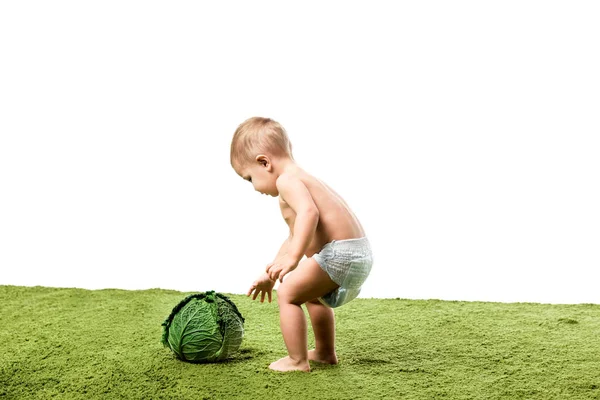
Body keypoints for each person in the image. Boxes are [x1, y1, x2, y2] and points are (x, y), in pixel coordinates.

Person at [230, 117, 373, 372]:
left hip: (340, 254)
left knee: (289, 294)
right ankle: (325, 352)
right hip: (357, 253)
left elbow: (309, 214)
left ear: (264, 162)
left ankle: (297, 361)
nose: (253, 187)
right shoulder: (302, 179)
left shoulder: (286, 181)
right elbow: (295, 235)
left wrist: (294, 259)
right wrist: (270, 273)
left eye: (249, 178)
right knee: (311, 295)